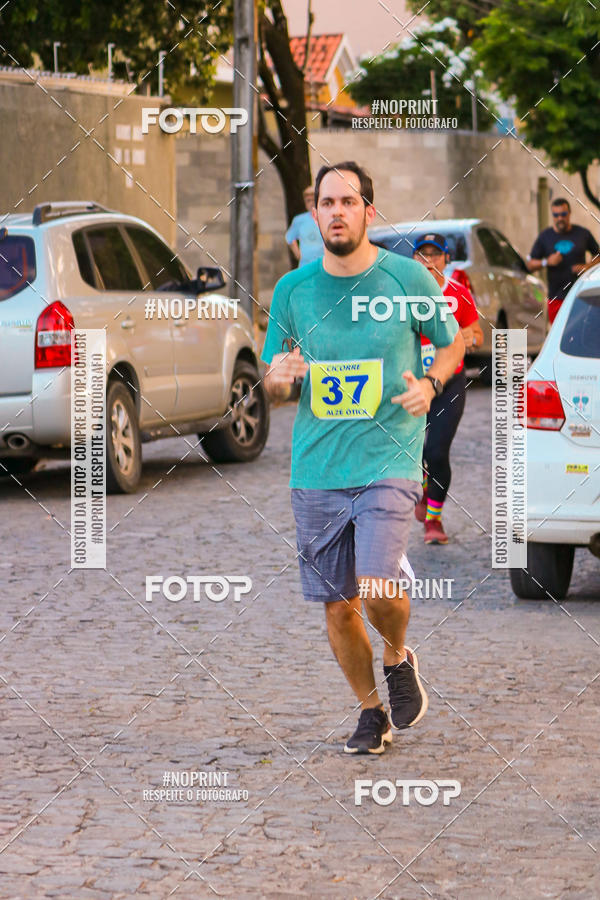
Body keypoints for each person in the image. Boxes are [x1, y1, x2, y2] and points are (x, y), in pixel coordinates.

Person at [261, 161, 464, 755]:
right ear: (314, 212)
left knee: (377, 587)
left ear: (368, 212)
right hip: (318, 468)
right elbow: (274, 376)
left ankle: (398, 656)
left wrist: (430, 383)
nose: (337, 212)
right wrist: (281, 375)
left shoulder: (406, 278)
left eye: (348, 202)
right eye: (327, 203)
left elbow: (451, 345)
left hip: (389, 458)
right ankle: (370, 711)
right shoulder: (293, 290)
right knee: (338, 607)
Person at [412, 233, 483, 545]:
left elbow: (477, 332)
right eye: (422, 254)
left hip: (449, 383)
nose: (429, 261)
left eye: (435, 255)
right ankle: (423, 483)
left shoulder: (457, 293)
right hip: (412, 384)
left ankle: (434, 521)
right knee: (411, 453)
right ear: (414, 260)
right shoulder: (402, 295)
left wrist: (471, 339)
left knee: (436, 451)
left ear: (445, 260)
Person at [527, 197, 599, 324]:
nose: (560, 218)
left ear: (569, 213)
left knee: (578, 335)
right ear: (553, 216)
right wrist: (547, 262)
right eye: (556, 215)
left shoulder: (582, 233)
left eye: (563, 214)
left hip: (580, 295)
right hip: (556, 298)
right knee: (558, 336)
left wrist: (587, 267)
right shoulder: (545, 236)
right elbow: (530, 265)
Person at [285, 185, 324, 267]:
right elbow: (289, 238)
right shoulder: (299, 220)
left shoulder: (325, 217)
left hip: (323, 265)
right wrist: (298, 254)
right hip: (305, 265)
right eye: (308, 201)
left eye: (313, 200)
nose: (311, 203)